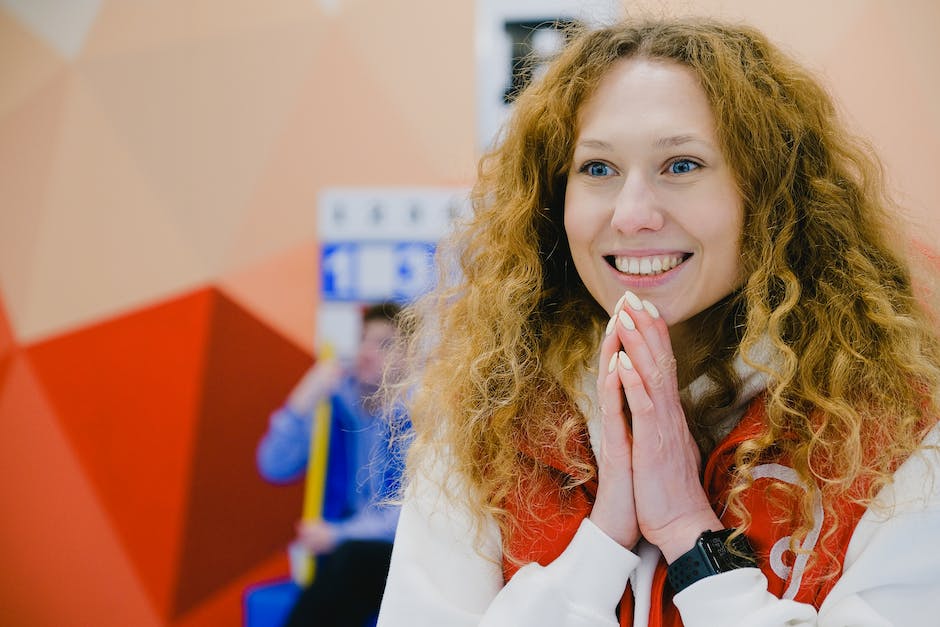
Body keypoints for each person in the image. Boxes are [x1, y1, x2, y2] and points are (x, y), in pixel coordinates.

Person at [376, 17, 940, 627]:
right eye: (597, 169)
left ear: (773, 196)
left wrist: (691, 537)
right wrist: (601, 546)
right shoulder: (484, 426)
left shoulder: (901, 436)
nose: (633, 212)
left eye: (681, 165)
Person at [257, 301, 407, 627]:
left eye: (384, 344)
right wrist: (301, 402)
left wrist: (338, 534)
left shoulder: (419, 418)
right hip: (343, 555)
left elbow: (405, 519)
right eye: (363, 340)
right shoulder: (334, 405)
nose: (367, 352)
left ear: (411, 358)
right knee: (347, 563)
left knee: (354, 558)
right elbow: (273, 465)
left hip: (399, 556)